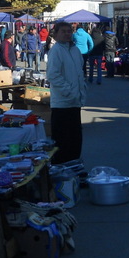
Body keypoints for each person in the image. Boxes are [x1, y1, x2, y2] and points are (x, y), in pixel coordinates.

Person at [47, 21, 87, 163]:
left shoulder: (75, 50)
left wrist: (81, 91)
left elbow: (79, 72)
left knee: (75, 138)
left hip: (75, 102)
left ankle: (74, 166)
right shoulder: (56, 50)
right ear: (56, 34)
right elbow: (53, 75)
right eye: (63, 31)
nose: (67, 34)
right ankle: (61, 170)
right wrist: (68, 91)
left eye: (69, 31)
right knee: (62, 140)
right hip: (62, 103)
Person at [0, 31, 17, 102]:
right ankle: (5, 97)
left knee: (8, 83)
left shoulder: (7, 43)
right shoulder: (5, 44)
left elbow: (11, 49)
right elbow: (5, 56)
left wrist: (16, 50)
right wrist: (10, 65)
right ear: (10, 36)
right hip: (7, 67)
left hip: (9, 66)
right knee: (6, 83)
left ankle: (7, 97)